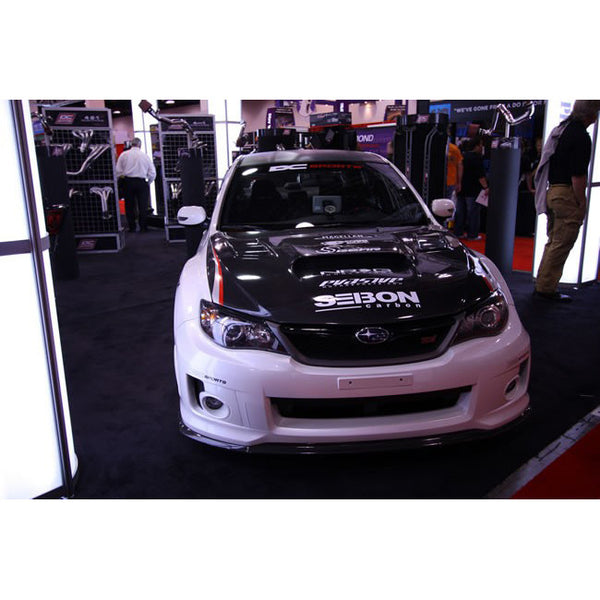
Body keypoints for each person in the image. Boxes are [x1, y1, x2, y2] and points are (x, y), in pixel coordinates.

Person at [533, 100, 600, 302]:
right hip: (566, 194)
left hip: (553, 191)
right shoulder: (580, 136)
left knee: (554, 241)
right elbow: (578, 174)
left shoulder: (562, 131)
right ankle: (546, 288)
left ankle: (543, 284)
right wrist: (581, 201)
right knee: (561, 243)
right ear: (591, 115)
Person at [116, 137, 156, 232]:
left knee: (129, 205)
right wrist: (148, 182)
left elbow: (118, 171)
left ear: (131, 144)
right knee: (143, 205)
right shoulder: (145, 156)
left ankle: (132, 227)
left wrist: (120, 181)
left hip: (128, 182)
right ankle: (143, 227)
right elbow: (152, 172)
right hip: (141, 182)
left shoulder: (124, 155)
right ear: (140, 145)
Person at [453, 136, 488, 240]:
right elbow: (480, 176)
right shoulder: (477, 158)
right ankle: (472, 234)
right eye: (481, 145)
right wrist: (486, 187)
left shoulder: (462, 156)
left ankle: (458, 232)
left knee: (460, 212)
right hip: (473, 190)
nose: (482, 147)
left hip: (461, 188)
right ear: (476, 146)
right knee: (473, 213)